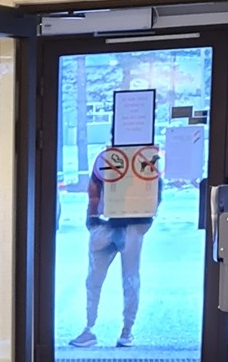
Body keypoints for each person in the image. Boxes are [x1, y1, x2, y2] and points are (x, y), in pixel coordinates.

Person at [68, 142, 161, 348]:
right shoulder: (146, 158)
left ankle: (89, 328)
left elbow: (93, 191)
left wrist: (92, 221)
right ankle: (127, 331)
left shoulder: (106, 157)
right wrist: (144, 224)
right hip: (132, 227)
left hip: (104, 225)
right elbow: (154, 196)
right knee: (130, 279)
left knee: (94, 280)